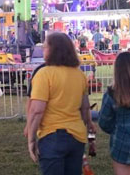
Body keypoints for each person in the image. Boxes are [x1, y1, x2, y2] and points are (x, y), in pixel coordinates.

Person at [26, 33, 94, 175]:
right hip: (77, 138)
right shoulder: (79, 74)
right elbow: (85, 108)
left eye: (45, 47)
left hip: (52, 136)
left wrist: (31, 139)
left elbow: (37, 110)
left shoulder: (44, 74)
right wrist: (89, 131)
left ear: (53, 50)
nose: (43, 50)